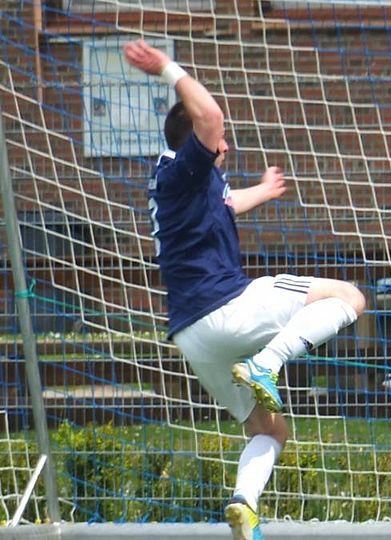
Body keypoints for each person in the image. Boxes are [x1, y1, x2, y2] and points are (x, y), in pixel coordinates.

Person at [124, 40, 366, 540]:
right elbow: (210, 116)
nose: (225, 145)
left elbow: (227, 203)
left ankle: (244, 504)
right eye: (219, 140)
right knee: (349, 297)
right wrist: (166, 68)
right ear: (196, 140)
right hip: (227, 306)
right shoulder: (187, 166)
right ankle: (267, 363)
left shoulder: (183, 180)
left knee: (269, 428)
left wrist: (266, 190)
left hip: (193, 337)